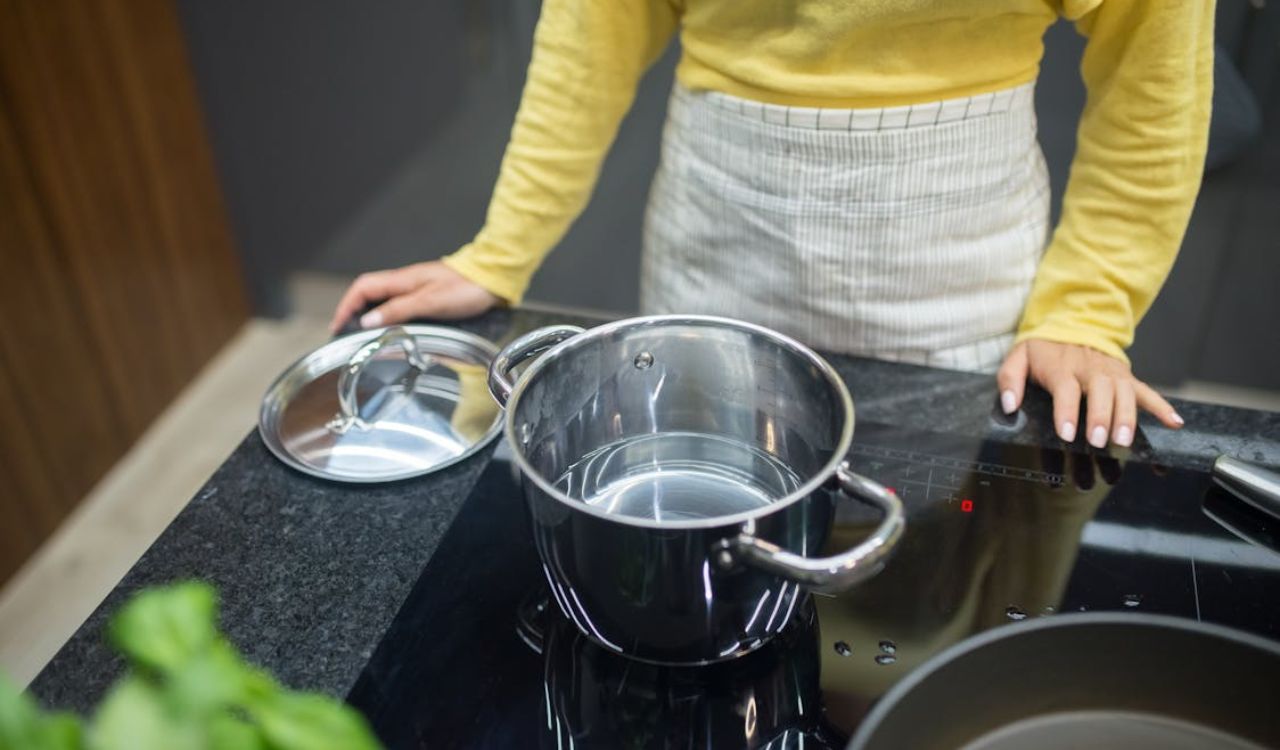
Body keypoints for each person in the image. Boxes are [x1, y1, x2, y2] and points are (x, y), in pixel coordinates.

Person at [330, 0, 1211, 449]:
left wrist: (1088, 308)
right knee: (701, 529)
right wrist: (502, 247)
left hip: (958, 283)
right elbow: (596, 27)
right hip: (716, 243)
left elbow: (1154, 64)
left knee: (930, 574)